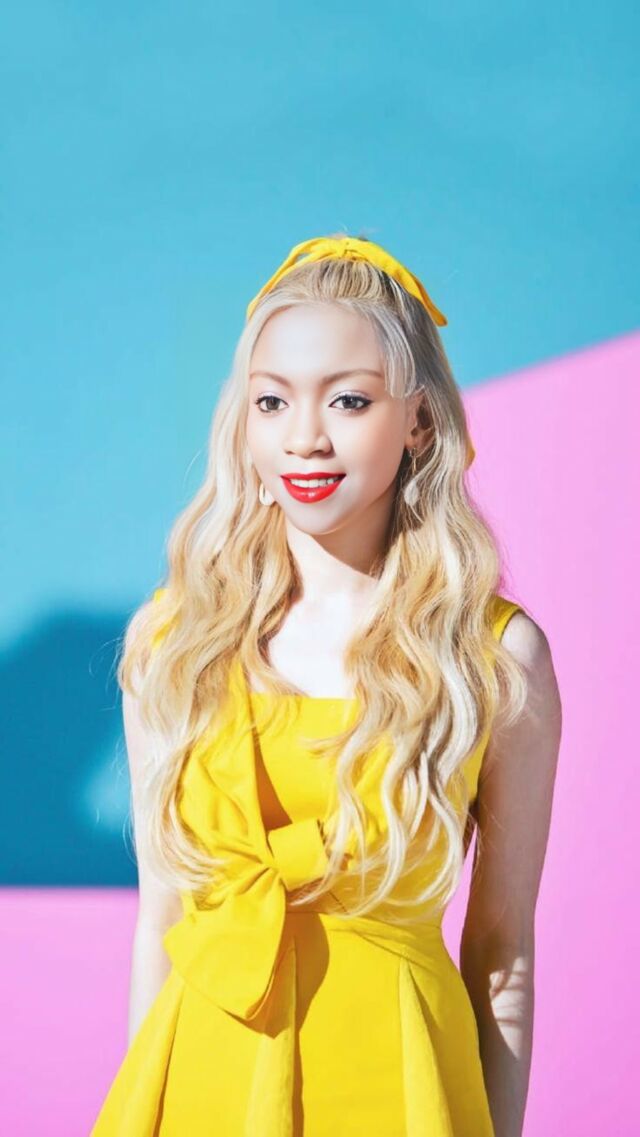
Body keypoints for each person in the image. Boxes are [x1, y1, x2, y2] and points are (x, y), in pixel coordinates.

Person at [90, 233, 562, 1137]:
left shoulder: (496, 656)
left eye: (348, 399)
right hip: (201, 1091)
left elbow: (502, 950)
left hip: (401, 1092)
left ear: (418, 422)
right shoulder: (174, 642)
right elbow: (162, 919)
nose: (304, 436)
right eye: (272, 400)